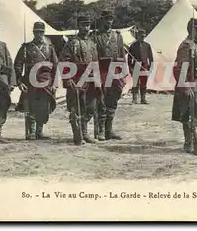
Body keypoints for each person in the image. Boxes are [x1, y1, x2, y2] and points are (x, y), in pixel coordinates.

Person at [59, 14, 100, 145]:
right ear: (79, 26)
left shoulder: (92, 43)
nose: (86, 28)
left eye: (88, 25)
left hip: (90, 79)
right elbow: (63, 61)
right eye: (83, 25)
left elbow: (96, 62)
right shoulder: (72, 43)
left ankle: (85, 132)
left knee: (91, 107)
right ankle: (78, 135)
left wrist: (98, 80)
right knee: (76, 108)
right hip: (76, 79)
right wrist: (67, 78)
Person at [14, 22, 58, 140]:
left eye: (41, 32)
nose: (39, 34)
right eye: (37, 32)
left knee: (43, 107)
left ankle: (40, 131)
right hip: (30, 81)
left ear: (44, 33)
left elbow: (56, 66)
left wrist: (55, 83)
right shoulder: (26, 47)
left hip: (45, 81)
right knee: (31, 106)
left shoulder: (50, 48)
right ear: (33, 32)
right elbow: (18, 65)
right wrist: (19, 81)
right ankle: (31, 132)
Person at [172, 18, 197, 155]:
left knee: (195, 114)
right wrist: (185, 86)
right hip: (188, 85)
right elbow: (180, 68)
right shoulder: (186, 46)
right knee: (188, 114)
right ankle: (189, 143)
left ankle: (192, 141)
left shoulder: (195, 45)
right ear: (194, 30)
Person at [91, 9, 127, 141]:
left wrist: (124, 73)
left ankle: (109, 130)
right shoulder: (95, 36)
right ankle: (100, 130)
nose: (109, 22)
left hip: (116, 72)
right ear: (102, 20)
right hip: (101, 71)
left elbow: (122, 55)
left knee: (113, 100)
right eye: (107, 19)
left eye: (111, 19)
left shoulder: (117, 36)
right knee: (101, 100)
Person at [128, 29, 154, 104]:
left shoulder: (147, 45)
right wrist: (130, 68)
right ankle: (134, 99)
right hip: (136, 65)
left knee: (144, 83)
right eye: (141, 36)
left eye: (143, 36)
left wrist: (151, 67)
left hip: (145, 66)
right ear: (138, 36)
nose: (142, 38)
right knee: (135, 83)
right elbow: (129, 58)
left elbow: (151, 57)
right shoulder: (133, 45)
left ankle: (143, 99)